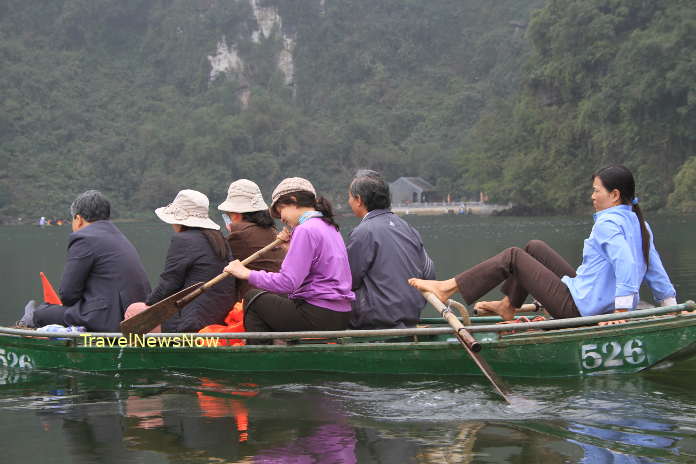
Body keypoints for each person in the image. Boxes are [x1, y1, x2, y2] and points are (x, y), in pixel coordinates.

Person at [408, 165, 677, 320]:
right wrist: (672, 308)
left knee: (513, 256)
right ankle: (507, 306)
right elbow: (656, 273)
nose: (592, 196)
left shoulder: (607, 223)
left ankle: (448, 287)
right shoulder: (640, 224)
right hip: (587, 295)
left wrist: (618, 316)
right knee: (534, 247)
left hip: (581, 309)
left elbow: (627, 265)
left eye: (597, 190)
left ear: (615, 195)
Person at [223, 177, 354, 340]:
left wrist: (246, 273)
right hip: (340, 315)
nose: (281, 218)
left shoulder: (305, 230)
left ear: (293, 200)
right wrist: (290, 249)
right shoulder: (329, 226)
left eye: (281, 209)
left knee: (253, 299)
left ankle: (262, 359)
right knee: (274, 299)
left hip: (318, 315)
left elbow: (288, 283)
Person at [18, 190, 151, 332]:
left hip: (109, 320)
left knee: (43, 312)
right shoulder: (119, 236)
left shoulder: (84, 238)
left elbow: (68, 295)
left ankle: (30, 319)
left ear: (78, 219)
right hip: (138, 316)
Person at [125, 190, 236, 333]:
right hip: (218, 315)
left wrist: (148, 305)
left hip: (193, 320)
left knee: (134, 311)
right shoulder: (219, 238)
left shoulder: (184, 240)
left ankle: (150, 355)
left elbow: (169, 283)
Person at [346, 170, 435, 329]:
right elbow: (429, 272)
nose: (349, 201)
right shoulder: (408, 228)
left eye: (350, 197)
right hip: (412, 315)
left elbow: (349, 280)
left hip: (376, 319)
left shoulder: (363, 232)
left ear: (358, 200)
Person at [217, 179, 286, 303]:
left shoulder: (240, 233)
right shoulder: (272, 230)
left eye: (228, 215)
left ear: (236, 214)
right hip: (282, 297)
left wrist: (233, 231)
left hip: (258, 301)